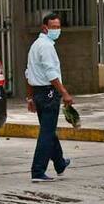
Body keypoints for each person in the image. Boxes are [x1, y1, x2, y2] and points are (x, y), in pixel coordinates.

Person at [26, 13, 73, 183]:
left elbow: (28, 73)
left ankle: (60, 163)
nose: (56, 30)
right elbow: (51, 73)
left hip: (39, 93)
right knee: (47, 132)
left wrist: (30, 98)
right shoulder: (45, 47)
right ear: (44, 28)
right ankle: (38, 170)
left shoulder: (36, 45)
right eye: (53, 27)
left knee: (49, 130)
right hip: (48, 93)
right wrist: (64, 93)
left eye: (58, 27)